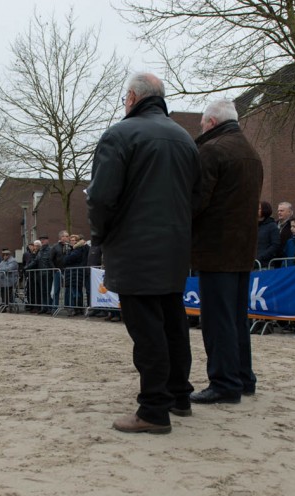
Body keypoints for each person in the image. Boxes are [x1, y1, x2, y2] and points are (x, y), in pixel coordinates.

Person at [87, 72, 200, 434]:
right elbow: (196, 196)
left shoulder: (119, 135)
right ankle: (179, 396)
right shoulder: (186, 138)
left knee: (147, 328)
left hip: (134, 246)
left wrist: (100, 236)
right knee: (172, 321)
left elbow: (101, 196)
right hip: (175, 245)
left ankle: (153, 409)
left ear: (132, 97)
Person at [189, 99, 263, 405]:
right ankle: (243, 377)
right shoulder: (251, 153)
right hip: (242, 249)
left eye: (202, 124)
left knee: (218, 319)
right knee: (235, 317)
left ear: (211, 123)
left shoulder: (212, 150)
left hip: (216, 249)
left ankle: (224, 382)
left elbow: (197, 202)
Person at [25, 235, 53, 314]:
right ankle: (44, 307)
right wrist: (26, 267)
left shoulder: (50, 249)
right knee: (43, 291)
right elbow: (35, 261)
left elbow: (52, 261)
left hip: (48, 273)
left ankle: (50, 307)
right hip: (41, 274)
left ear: (47, 240)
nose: (42, 241)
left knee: (48, 291)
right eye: (41, 240)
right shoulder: (40, 251)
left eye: (44, 239)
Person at [50, 230, 71, 312]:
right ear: (61, 237)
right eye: (65, 236)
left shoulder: (70, 246)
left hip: (68, 271)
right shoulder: (55, 247)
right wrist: (55, 269)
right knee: (56, 290)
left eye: (67, 236)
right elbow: (50, 259)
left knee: (68, 289)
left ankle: (67, 306)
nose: (66, 238)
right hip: (58, 271)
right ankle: (54, 307)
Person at [256, 201, 280, 269]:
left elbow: (275, 245)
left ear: (265, 210)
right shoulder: (254, 226)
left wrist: (261, 257)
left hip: (265, 265)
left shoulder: (272, 226)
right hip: (253, 264)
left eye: (259, 209)